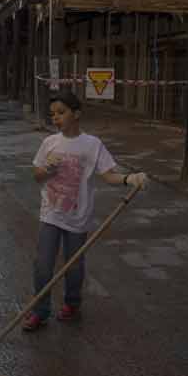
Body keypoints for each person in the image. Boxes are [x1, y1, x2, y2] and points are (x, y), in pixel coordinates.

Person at [22, 91, 147, 332]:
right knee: (42, 264)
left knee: (74, 265)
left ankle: (72, 304)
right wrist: (48, 168)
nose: (56, 118)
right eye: (53, 114)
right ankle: (40, 310)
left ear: (76, 113)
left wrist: (130, 178)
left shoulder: (92, 144)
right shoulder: (50, 143)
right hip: (51, 212)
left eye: (61, 112)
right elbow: (36, 176)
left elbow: (108, 175)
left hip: (78, 216)